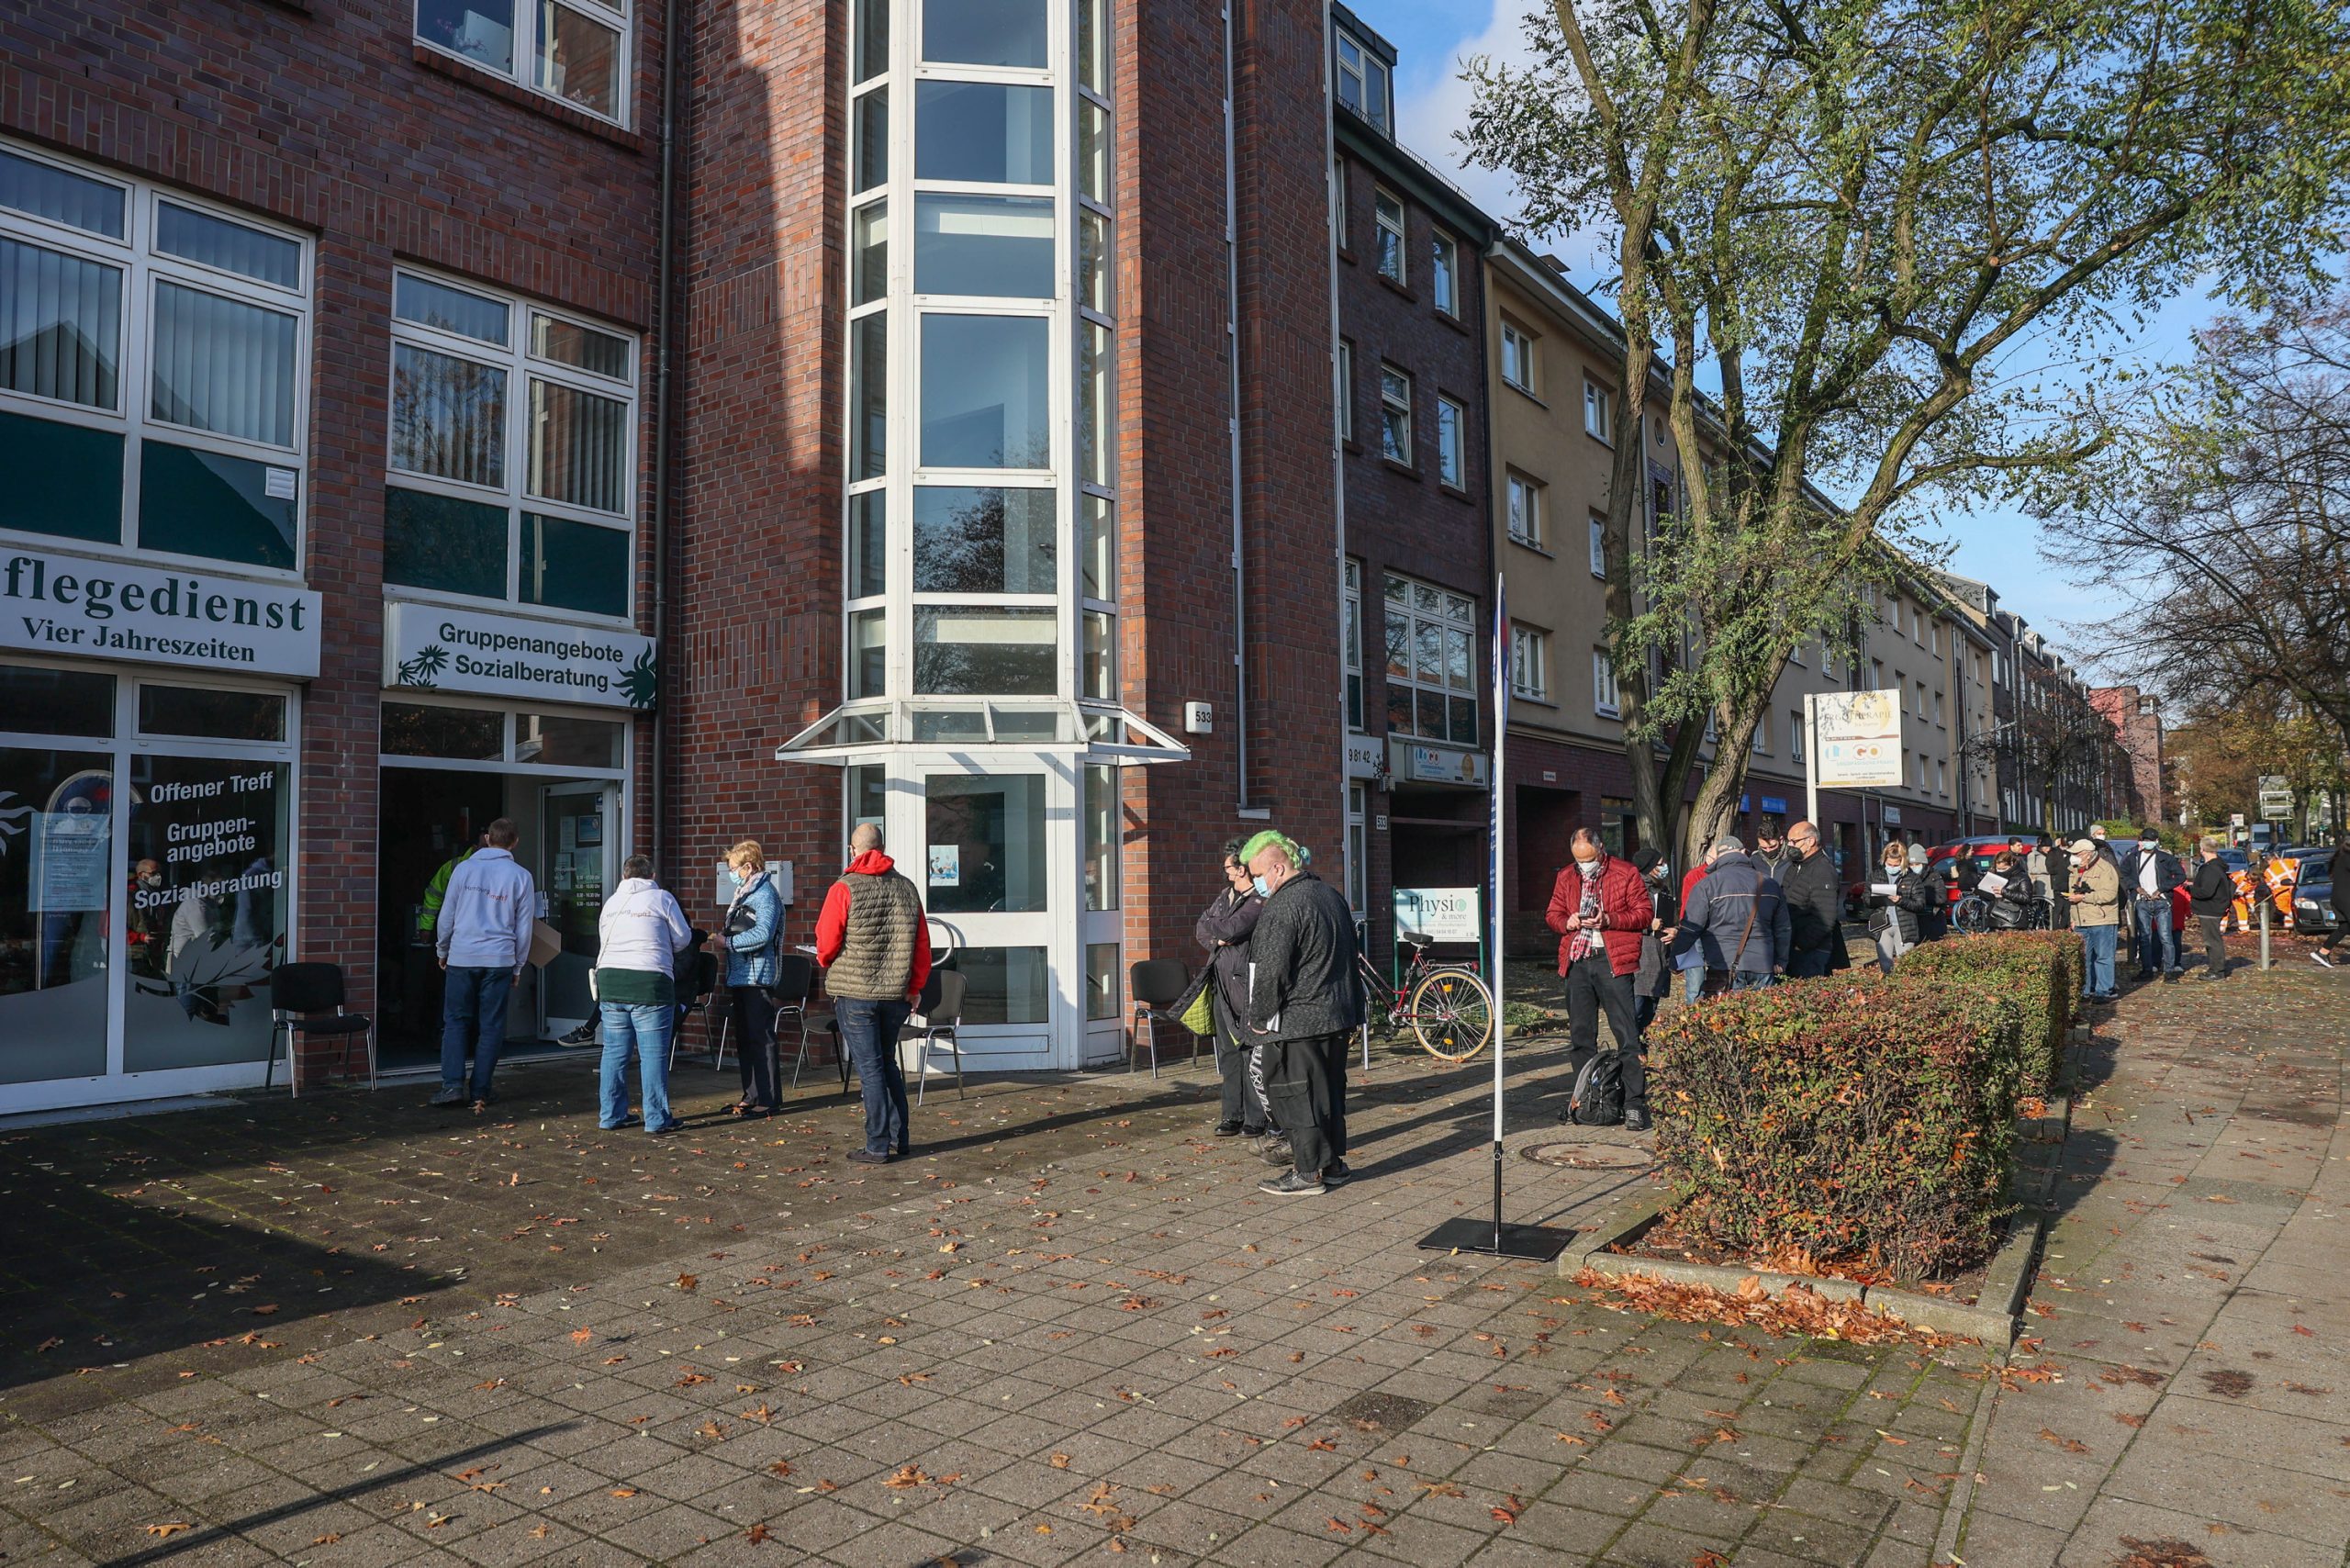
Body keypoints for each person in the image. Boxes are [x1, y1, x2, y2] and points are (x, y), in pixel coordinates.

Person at [1241, 831, 1363, 1194]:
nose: (1256, 884)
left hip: (1300, 1019)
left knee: (1299, 1097)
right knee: (1329, 1095)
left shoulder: (1283, 906)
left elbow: (1271, 970)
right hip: (1338, 1013)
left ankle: (1308, 1173)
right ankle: (1334, 1165)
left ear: (1278, 868)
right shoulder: (1330, 895)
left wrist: (1259, 1017)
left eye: (1259, 875)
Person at [814, 823, 933, 1163]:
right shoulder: (907, 888)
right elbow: (921, 944)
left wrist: (826, 960)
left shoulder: (845, 887)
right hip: (895, 994)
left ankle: (877, 1144)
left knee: (869, 1068)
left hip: (856, 995)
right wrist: (915, 988)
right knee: (887, 1064)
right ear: (881, 848)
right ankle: (899, 1138)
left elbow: (827, 942)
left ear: (854, 850)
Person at [1546, 828, 1656, 1130]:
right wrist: (1565, 922)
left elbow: (1644, 914)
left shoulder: (1625, 872)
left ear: (1601, 849)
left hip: (1613, 962)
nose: (1585, 866)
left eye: (1590, 860)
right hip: (1577, 962)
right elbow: (1552, 913)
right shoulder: (1567, 876)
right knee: (1581, 1037)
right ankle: (1585, 1099)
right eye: (1579, 861)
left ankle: (1634, 1104)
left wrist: (1609, 919)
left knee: (1627, 1036)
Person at [431, 817, 534, 1109]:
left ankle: (451, 1086)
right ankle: (481, 1090)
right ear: (514, 842)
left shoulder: (464, 869)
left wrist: (443, 950)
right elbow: (523, 927)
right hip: (499, 958)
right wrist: (518, 966)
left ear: (487, 838)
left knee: (455, 1022)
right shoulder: (520, 876)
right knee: (491, 1026)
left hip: (462, 956)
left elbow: (447, 914)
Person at [594, 855, 693, 1134]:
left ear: (625, 876)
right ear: (652, 875)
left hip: (611, 981)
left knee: (614, 1052)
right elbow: (683, 939)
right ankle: (657, 1118)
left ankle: (611, 1115)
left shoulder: (612, 902)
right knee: (653, 1054)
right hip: (650, 981)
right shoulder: (662, 898)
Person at [1195, 838, 1270, 1139]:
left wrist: (1220, 931)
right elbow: (1201, 927)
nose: (1225, 872)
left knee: (1249, 1051)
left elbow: (1232, 928)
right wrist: (1218, 939)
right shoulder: (1224, 897)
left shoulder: (1258, 899)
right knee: (1227, 1054)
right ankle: (1232, 1116)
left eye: (1228, 867)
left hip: (1245, 985)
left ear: (1242, 869)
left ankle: (1256, 1118)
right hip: (1220, 985)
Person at [714, 841, 786, 1117]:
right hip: (741, 977)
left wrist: (727, 943)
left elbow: (762, 935)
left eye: (734, 868)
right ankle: (751, 1095)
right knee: (745, 1039)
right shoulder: (744, 892)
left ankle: (768, 1099)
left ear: (748, 866)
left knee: (761, 1038)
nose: (731, 873)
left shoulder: (765, 894)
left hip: (758, 977)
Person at [1684, 834, 1790, 991]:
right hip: (1763, 962)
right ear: (1743, 852)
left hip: (1723, 963)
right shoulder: (1769, 883)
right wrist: (1781, 959)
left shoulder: (1706, 885)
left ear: (1719, 856)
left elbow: (1691, 927)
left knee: (1731, 1014)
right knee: (1764, 1013)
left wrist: (1676, 961)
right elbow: (1783, 927)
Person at [1778, 820, 1845, 977]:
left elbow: (1825, 916)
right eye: (1788, 842)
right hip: (1793, 945)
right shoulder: (1794, 867)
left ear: (1811, 841)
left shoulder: (1822, 870)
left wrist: (1802, 944)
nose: (1790, 846)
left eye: (1794, 841)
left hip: (1811, 951)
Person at [2120, 827, 2187, 981]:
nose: (2148, 843)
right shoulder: (2133, 858)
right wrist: (2136, 888)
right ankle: (2147, 969)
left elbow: (2180, 876)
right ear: (2141, 841)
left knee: (2165, 937)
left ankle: (2169, 972)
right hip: (2142, 902)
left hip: (2161, 902)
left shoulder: (2165, 858)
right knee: (2144, 937)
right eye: (2145, 840)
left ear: (2156, 841)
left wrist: (2162, 889)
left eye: (2151, 841)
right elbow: (2123, 874)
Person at [2064, 836, 2121, 1002]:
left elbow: (2109, 894)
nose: (2073, 856)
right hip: (2081, 921)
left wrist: (2083, 898)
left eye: (2076, 853)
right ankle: (2086, 989)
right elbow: (2072, 896)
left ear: (2087, 854)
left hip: (2101, 920)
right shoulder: (2075, 869)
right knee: (2084, 958)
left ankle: (2104, 990)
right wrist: (2073, 918)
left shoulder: (2105, 869)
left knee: (2103, 956)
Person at [1628, 847, 1677, 1031]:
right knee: (1636, 1015)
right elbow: (1624, 920)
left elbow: (1671, 921)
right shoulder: (1635, 890)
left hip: (1659, 959)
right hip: (1641, 962)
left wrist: (1675, 931)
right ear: (1649, 868)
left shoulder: (1663, 890)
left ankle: (1643, 1053)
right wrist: (1648, 925)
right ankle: (1632, 1054)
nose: (1665, 867)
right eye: (1660, 864)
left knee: (1649, 1017)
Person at [1867, 839, 1927, 973]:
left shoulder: (1913, 878)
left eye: (1896, 864)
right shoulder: (1876, 875)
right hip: (1882, 925)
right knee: (1885, 966)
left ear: (1903, 862)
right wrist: (1876, 899)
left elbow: (1920, 904)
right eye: (1889, 864)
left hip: (1905, 927)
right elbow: (1866, 900)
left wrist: (1901, 900)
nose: (1892, 867)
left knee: (1905, 967)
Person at [2186, 835, 2233, 980]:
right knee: (2213, 940)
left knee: (2212, 941)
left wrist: (2190, 889)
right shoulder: (2218, 866)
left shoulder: (2211, 868)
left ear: (2202, 850)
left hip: (2210, 909)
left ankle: (2217, 971)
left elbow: (2206, 891)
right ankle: (2216, 969)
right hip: (2213, 907)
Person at [1752, 817, 1792, 882]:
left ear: (1781, 840)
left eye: (1772, 846)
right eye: (1764, 847)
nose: (1768, 851)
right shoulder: (1754, 860)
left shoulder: (1792, 859)